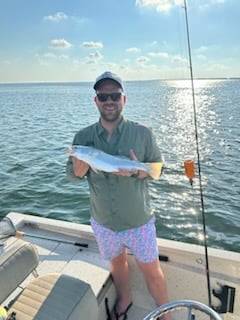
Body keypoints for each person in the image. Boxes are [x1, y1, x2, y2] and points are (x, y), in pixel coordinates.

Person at [66, 71, 170, 320]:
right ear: (96, 101)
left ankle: (167, 316)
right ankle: (125, 298)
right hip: (103, 222)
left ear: (124, 99)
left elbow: (157, 170)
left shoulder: (143, 133)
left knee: (153, 271)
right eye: (103, 96)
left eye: (114, 95)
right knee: (117, 264)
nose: (109, 100)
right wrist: (79, 170)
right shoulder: (83, 139)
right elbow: (72, 175)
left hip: (138, 221)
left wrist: (138, 171)